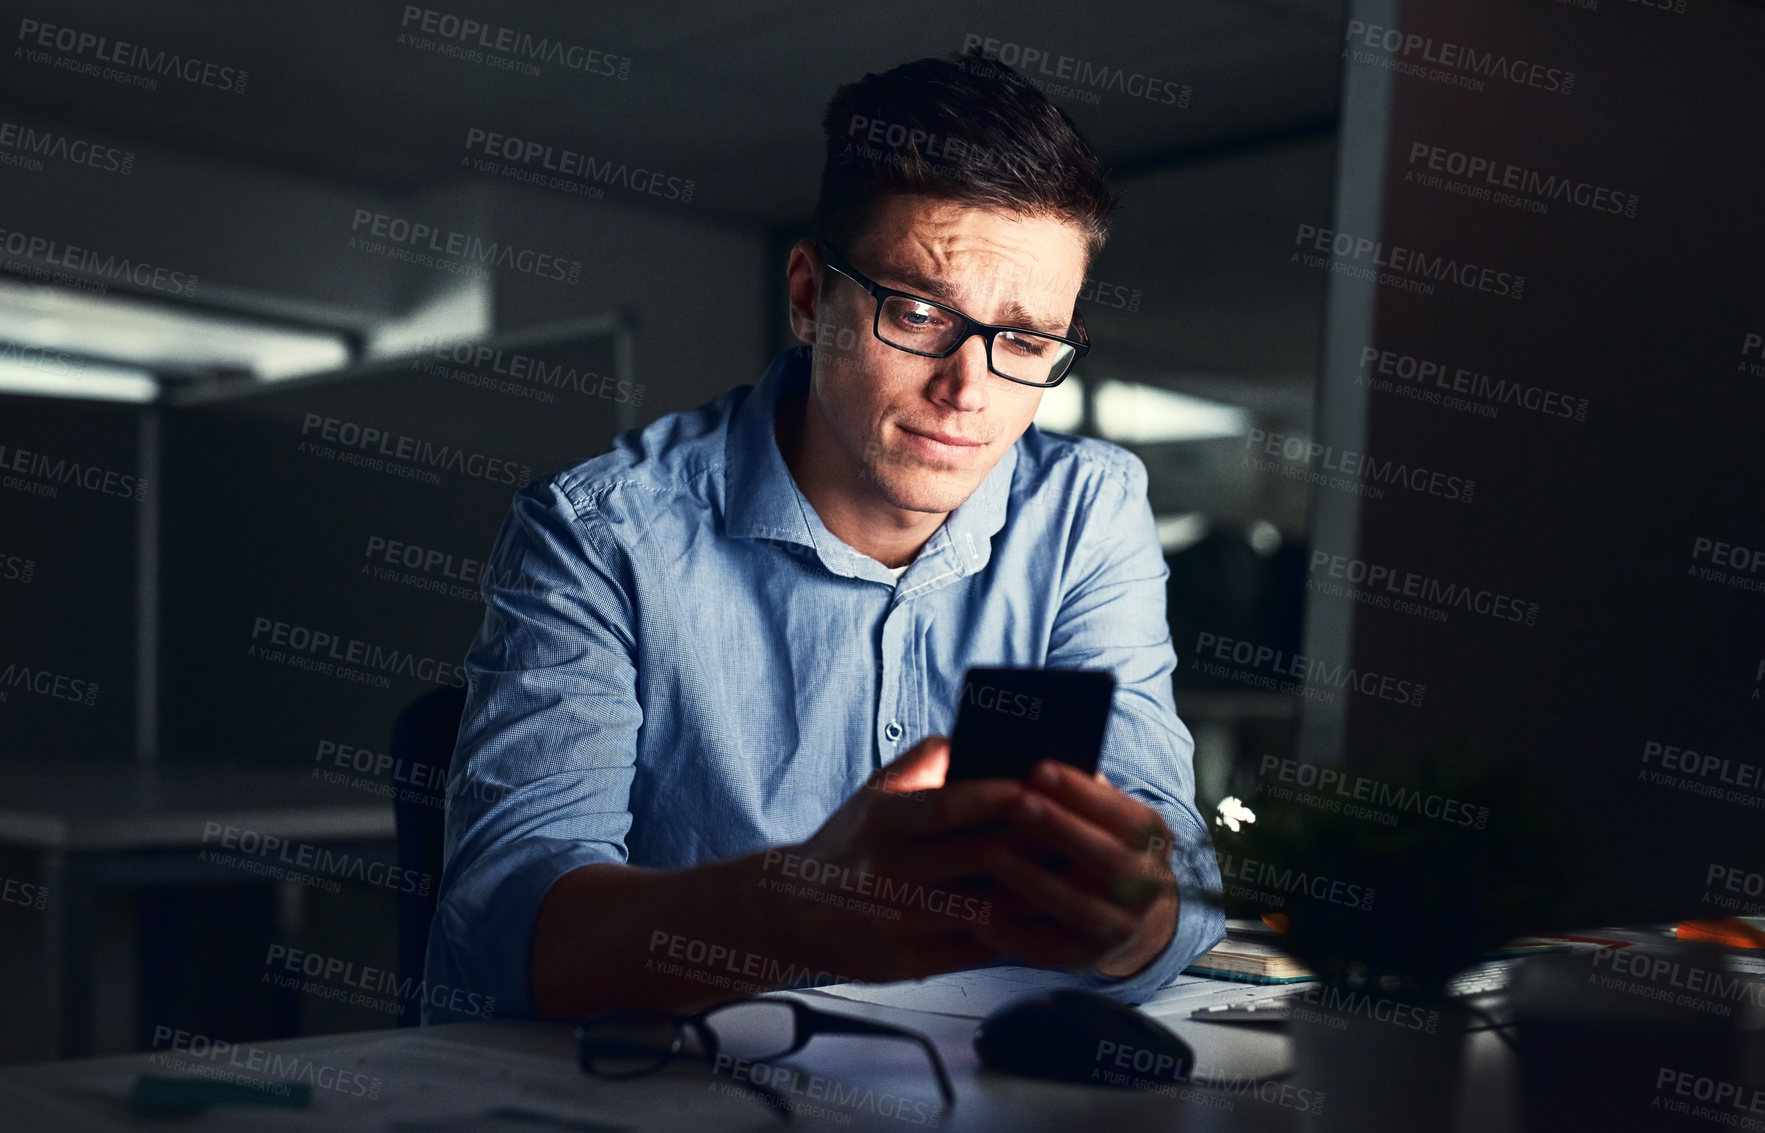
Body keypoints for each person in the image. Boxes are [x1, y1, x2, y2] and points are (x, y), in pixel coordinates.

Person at [423, 52, 1225, 1024]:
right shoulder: (601, 533)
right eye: (920, 311)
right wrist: (802, 909)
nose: (968, 391)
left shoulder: (1086, 510)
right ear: (809, 298)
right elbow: (508, 935)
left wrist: (1125, 911)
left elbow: (1173, 873)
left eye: (1023, 340)